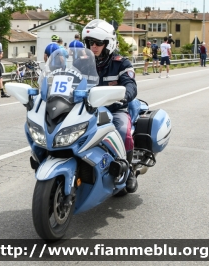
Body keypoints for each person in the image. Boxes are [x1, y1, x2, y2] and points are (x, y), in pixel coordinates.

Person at [82, 19, 138, 193]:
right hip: (88, 110)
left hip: (114, 109)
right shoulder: (82, 63)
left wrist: (124, 96)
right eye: (91, 42)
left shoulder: (121, 63)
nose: (94, 46)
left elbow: (130, 84)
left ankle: (128, 171)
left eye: (99, 43)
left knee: (123, 131)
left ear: (109, 43)